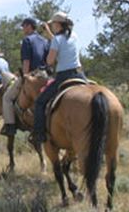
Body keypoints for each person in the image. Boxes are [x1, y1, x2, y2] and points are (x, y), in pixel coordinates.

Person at [31, 12, 87, 144]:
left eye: (53, 24)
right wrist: (48, 32)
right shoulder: (74, 35)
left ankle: (39, 134)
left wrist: (47, 61)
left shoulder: (57, 40)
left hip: (64, 76)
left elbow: (50, 61)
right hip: (79, 74)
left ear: (58, 24)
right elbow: (59, 41)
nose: (52, 26)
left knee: (40, 102)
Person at [0, 17, 50, 136]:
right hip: (44, 75)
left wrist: (24, 77)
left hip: (32, 74)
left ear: (29, 26)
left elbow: (26, 61)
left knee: (7, 98)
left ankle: (10, 127)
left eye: (23, 26)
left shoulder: (27, 40)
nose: (23, 29)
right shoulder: (44, 41)